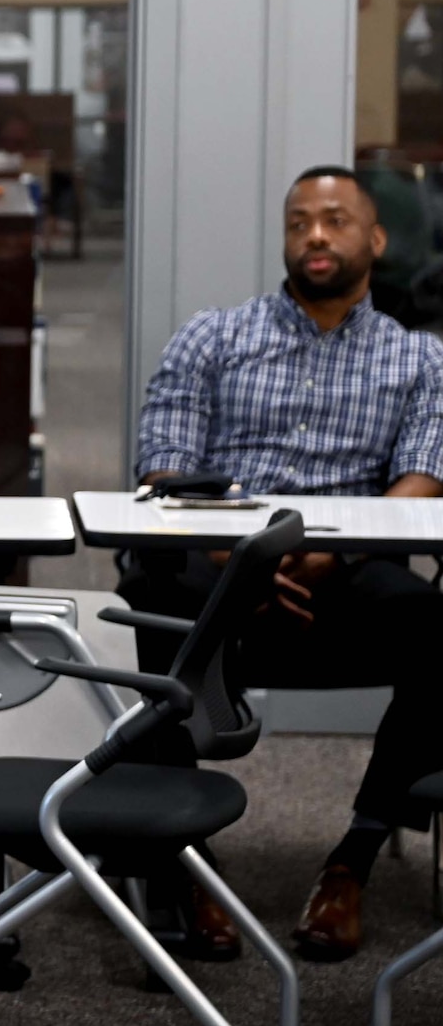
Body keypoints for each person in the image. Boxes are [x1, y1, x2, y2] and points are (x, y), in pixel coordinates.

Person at [124, 164, 443, 963]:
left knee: (437, 621)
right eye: (300, 221)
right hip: (222, 563)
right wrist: (250, 564)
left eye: (335, 220)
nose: (316, 235)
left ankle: (352, 861)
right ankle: (182, 861)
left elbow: (420, 480)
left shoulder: (421, 360)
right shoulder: (213, 336)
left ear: (375, 239)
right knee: (150, 586)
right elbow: (163, 470)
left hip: (350, 566)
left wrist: (327, 555)